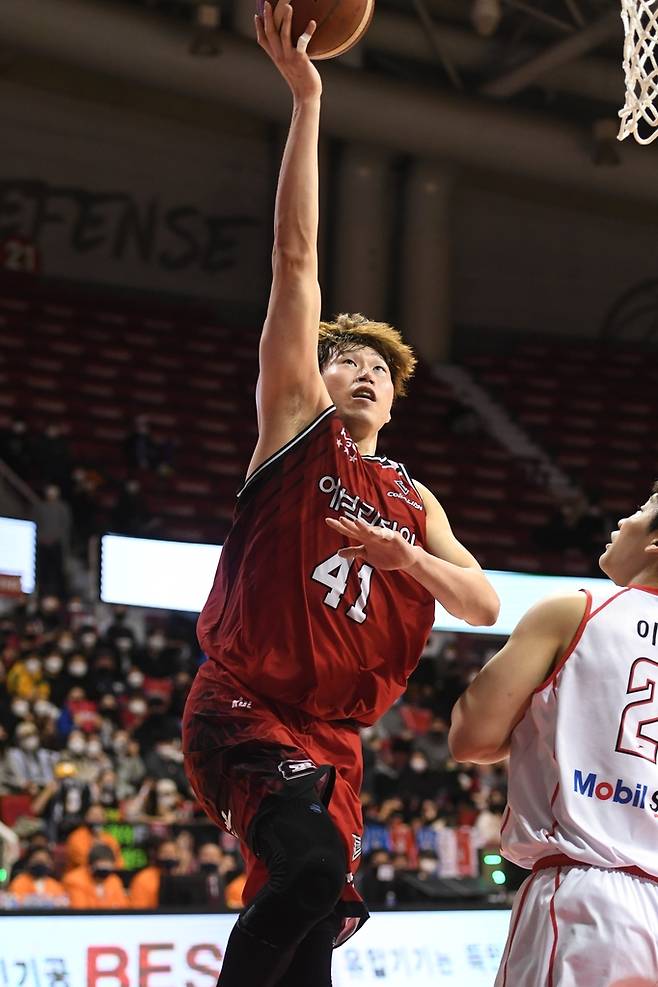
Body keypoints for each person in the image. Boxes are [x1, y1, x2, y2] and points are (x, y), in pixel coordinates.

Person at [182, 5, 499, 986]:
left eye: (376, 368)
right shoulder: (293, 431)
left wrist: (412, 559)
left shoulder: (412, 498)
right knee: (313, 872)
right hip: (244, 703)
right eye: (343, 359)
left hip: (335, 740)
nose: (359, 372)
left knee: (314, 921)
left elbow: (483, 605)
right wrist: (309, 99)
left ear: (396, 397)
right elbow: (295, 260)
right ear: (312, 378)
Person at [449, 484, 658, 986]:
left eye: (642, 509)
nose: (622, 520)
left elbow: (471, 738)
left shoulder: (576, 609)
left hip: (590, 897)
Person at [62, 842, 129, 909]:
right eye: (101, 870)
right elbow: (80, 909)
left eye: (107, 870)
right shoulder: (74, 880)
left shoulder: (114, 881)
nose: (104, 873)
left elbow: (122, 908)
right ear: (90, 867)